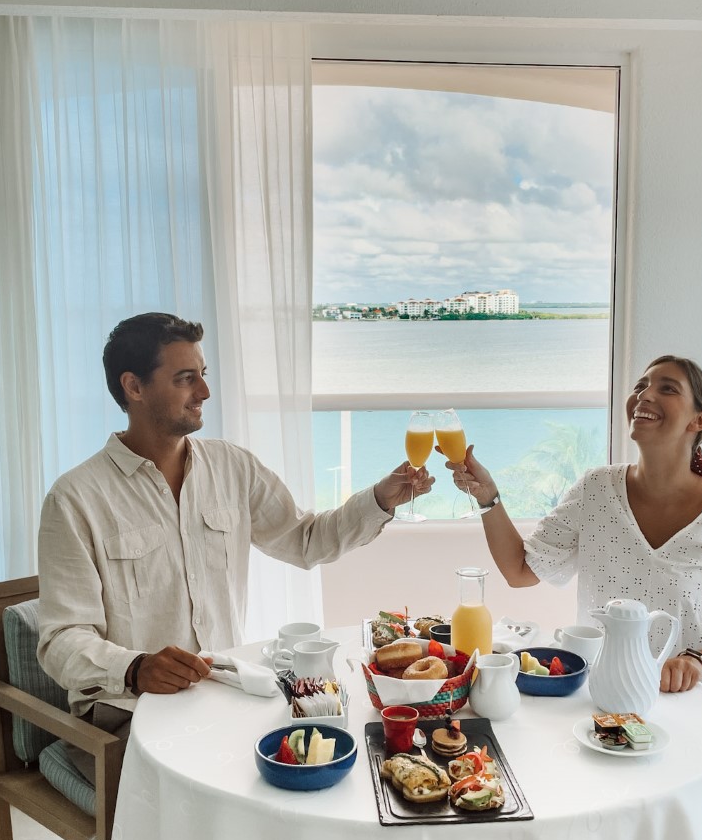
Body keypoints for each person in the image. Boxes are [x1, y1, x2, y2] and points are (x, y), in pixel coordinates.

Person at [38, 312, 433, 773]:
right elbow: (61, 640)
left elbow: (306, 541)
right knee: (240, 795)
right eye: (186, 379)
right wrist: (134, 668)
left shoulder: (233, 467)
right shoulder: (75, 498)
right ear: (134, 387)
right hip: (124, 717)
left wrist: (380, 500)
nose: (204, 392)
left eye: (203, 376)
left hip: (222, 696)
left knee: (327, 758)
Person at [446, 355, 702, 797]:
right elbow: (522, 570)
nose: (644, 395)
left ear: (700, 421)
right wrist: (488, 498)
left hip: (691, 709)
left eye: (667, 388)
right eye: (641, 385)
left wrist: (697, 661)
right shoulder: (596, 490)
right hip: (599, 706)